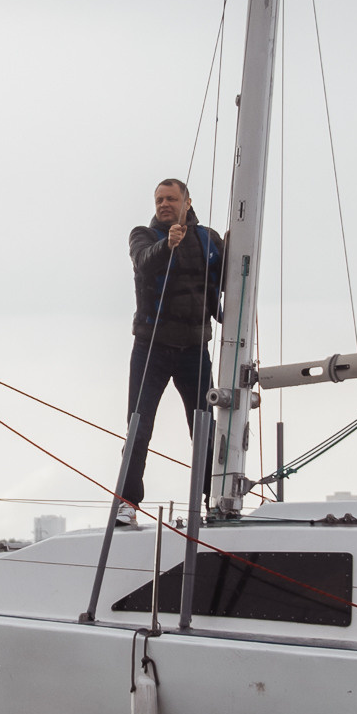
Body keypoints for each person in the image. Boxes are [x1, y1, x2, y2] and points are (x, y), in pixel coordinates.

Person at [121, 180, 225, 521]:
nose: (164, 204)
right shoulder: (143, 236)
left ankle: (214, 500)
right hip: (151, 348)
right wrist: (168, 244)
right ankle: (128, 503)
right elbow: (144, 261)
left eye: (171, 199)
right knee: (139, 425)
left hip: (194, 349)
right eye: (159, 199)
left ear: (187, 202)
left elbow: (224, 282)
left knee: (205, 426)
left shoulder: (209, 239)